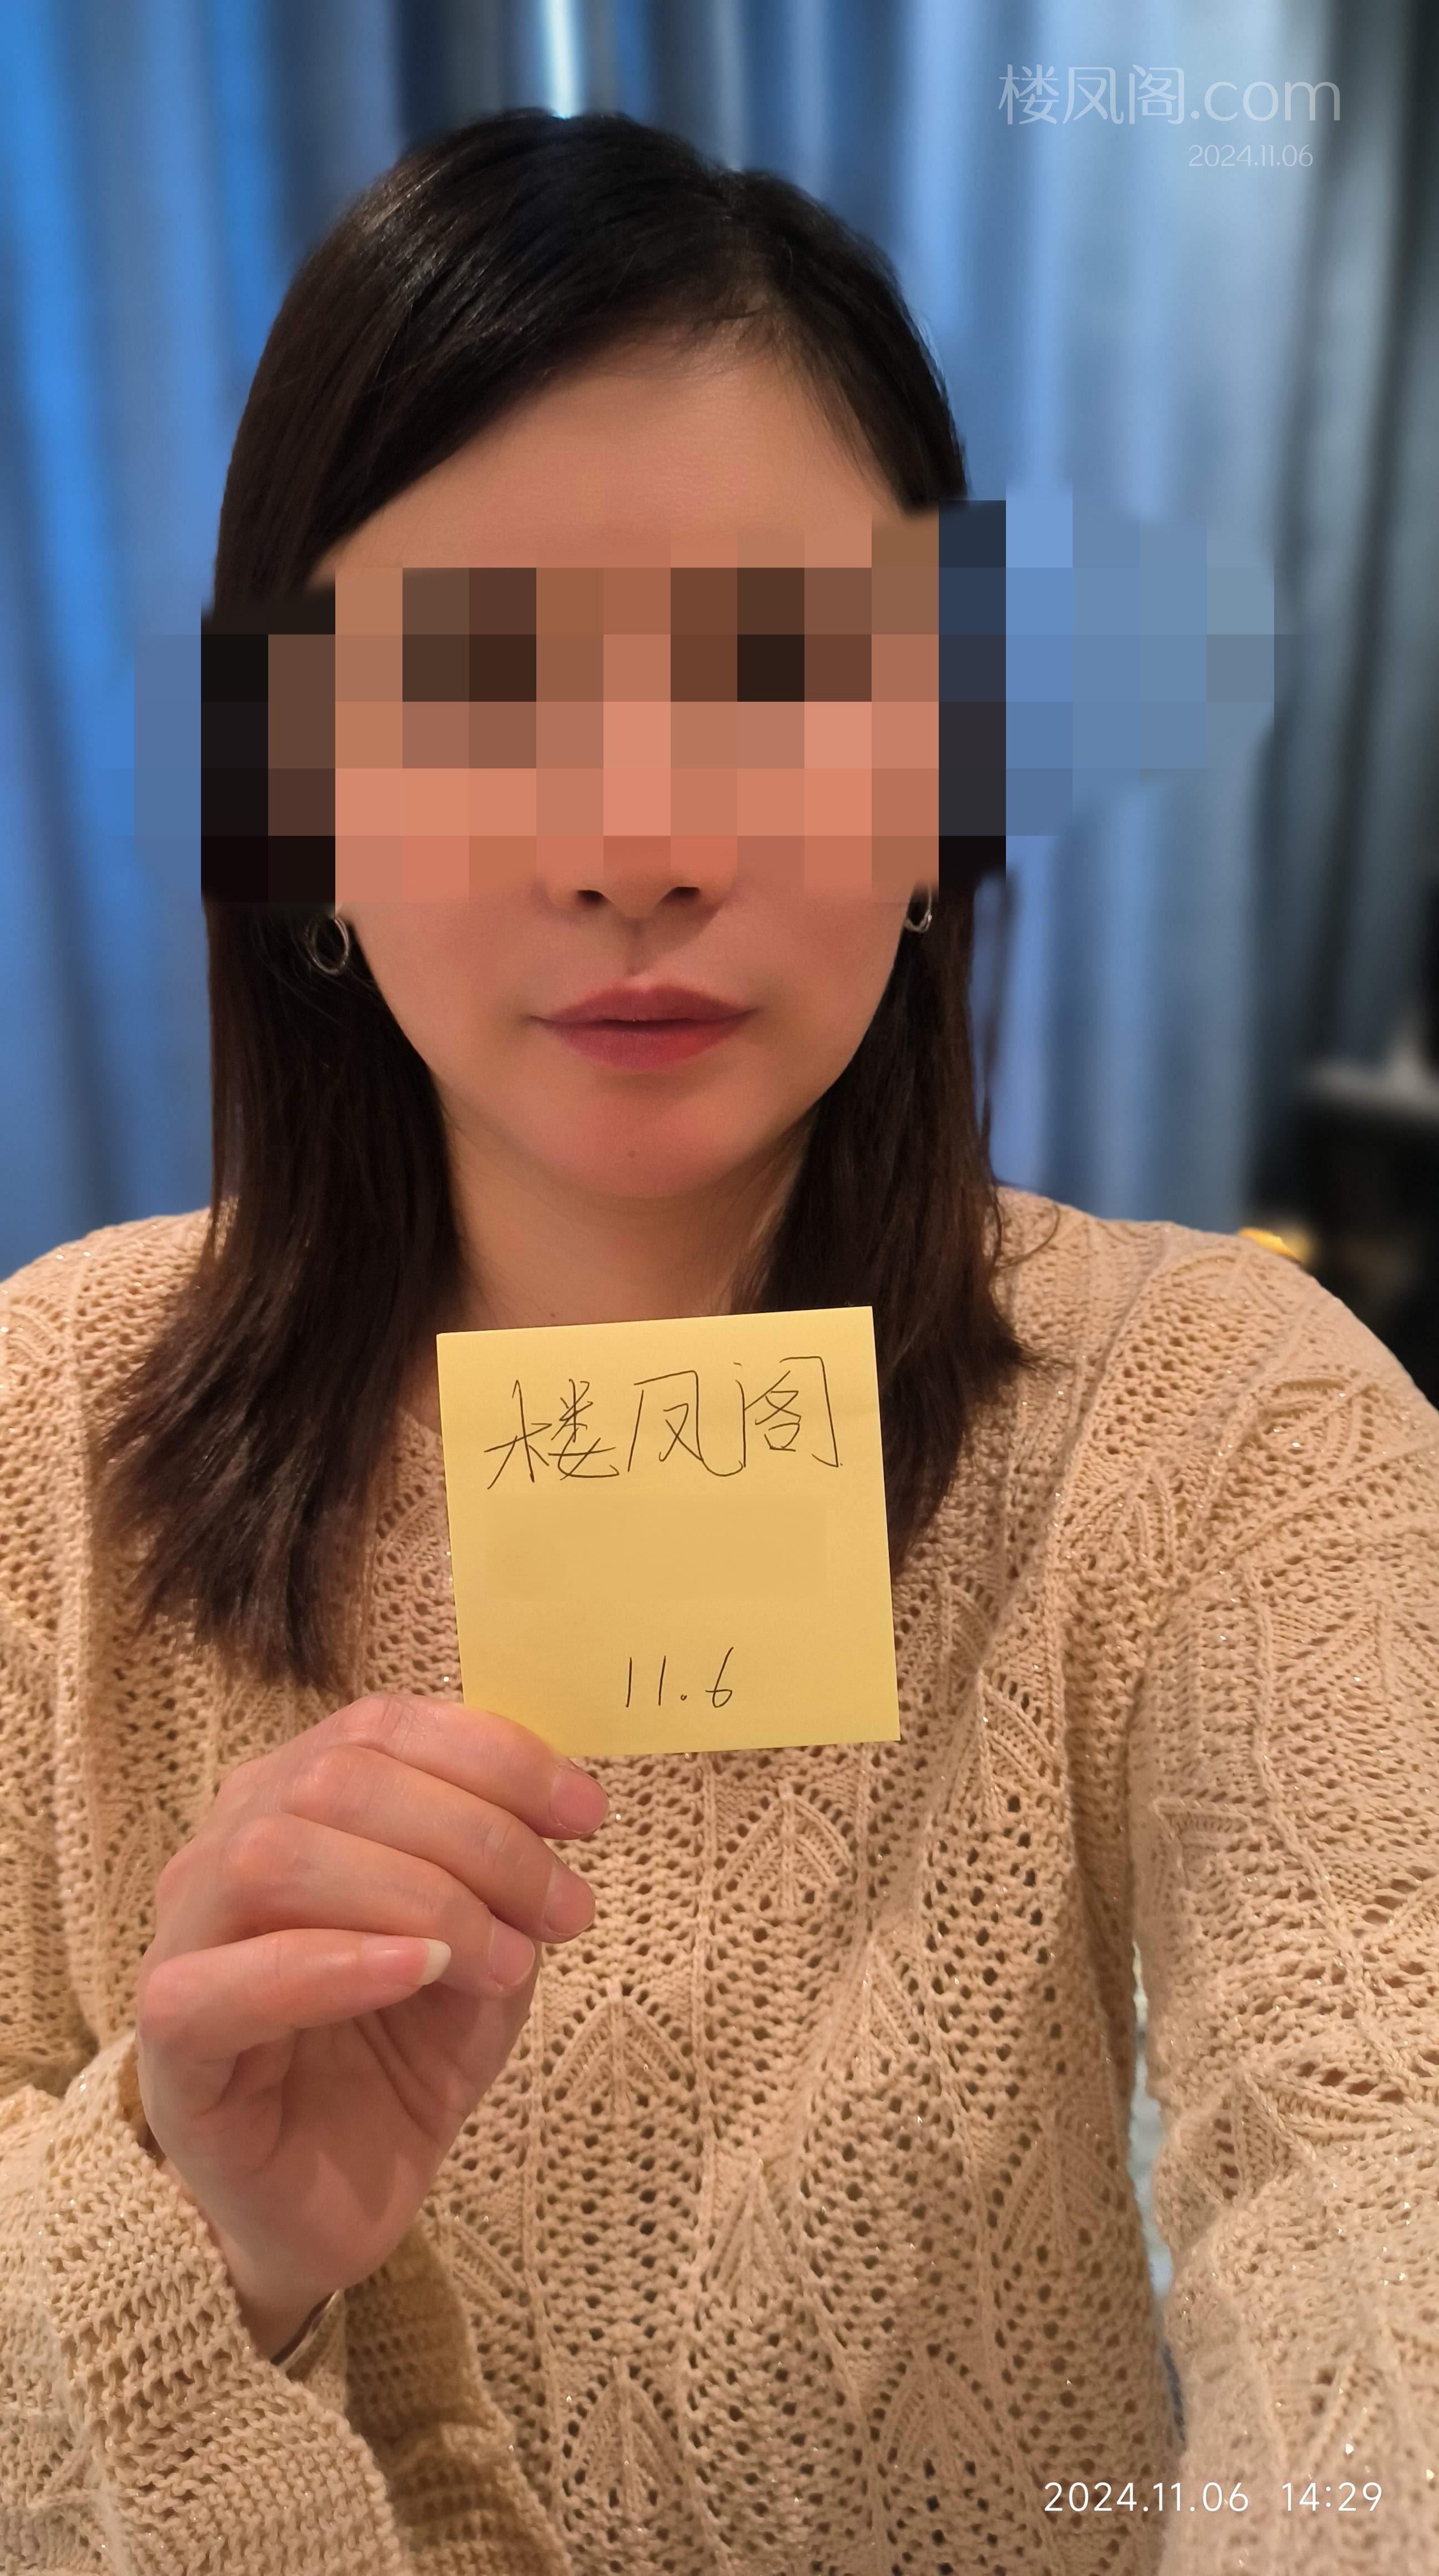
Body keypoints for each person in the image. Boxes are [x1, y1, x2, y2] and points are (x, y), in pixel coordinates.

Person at [1, 107, 1435, 2576]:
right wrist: (195, 2232)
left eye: (782, 680)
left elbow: (1377, 2185)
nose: (638, 845)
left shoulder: (1227, 1433)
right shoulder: (47, 1428)